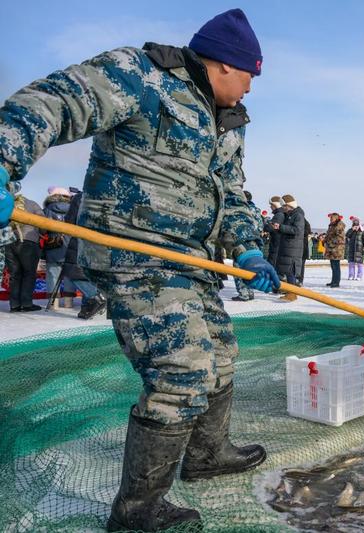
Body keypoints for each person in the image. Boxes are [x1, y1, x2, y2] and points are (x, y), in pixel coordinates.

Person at [0, 9, 281, 531]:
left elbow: (234, 192)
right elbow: (56, 100)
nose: (250, 89)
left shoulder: (228, 123)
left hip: (188, 259)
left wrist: (247, 248)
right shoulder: (141, 74)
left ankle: (206, 454)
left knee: (220, 351)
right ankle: (137, 513)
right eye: (250, 76)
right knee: (182, 370)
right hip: (132, 252)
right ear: (225, 65)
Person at [62, 188, 107, 319]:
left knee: (73, 271)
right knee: (92, 274)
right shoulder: (108, 196)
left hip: (82, 238)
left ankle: (96, 297)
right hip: (104, 241)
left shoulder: (80, 197)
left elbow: (70, 220)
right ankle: (87, 308)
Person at [5, 183, 44, 312]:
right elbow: (43, 222)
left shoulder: (6, 204)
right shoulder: (31, 204)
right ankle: (26, 304)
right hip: (28, 242)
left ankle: (14, 304)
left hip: (9, 242)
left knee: (15, 274)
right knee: (29, 273)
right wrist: (42, 233)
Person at [42, 186, 74, 309]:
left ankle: (53, 304)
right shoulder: (73, 208)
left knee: (52, 274)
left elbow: (43, 229)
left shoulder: (47, 209)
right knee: (69, 274)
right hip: (70, 245)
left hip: (53, 245)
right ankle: (68, 302)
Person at [231, 191, 262, 302]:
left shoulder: (241, 209)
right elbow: (260, 227)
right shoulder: (256, 210)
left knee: (238, 266)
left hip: (242, 241)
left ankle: (243, 293)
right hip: (255, 241)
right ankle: (250, 292)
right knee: (250, 267)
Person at [274, 194, 305, 301]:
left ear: (289, 205)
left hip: (293, 248)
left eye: (284, 206)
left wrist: (281, 227)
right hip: (288, 247)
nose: (283, 208)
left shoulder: (298, 215)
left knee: (290, 271)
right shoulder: (290, 215)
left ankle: (292, 293)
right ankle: (288, 291)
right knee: (287, 271)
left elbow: (296, 230)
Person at [263, 196, 285, 273]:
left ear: (275, 205)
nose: (270, 207)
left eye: (271, 205)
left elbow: (271, 228)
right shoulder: (280, 214)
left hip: (276, 243)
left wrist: (265, 224)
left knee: (272, 263)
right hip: (277, 242)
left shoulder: (279, 215)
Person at [324, 212, 346, 288]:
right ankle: (333, 281)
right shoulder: (332, 226)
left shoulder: (339, 225)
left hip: (337, 249)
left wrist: (331, 241)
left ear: (336, 218)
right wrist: (325, 240)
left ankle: (336, 282)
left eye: (332, 218)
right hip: (331, 248)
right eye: (330, 218)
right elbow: (329, 235)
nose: (330, 219)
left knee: (336, 266)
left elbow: (339, 238)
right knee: (333, 266)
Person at [346, 216, 364, 281]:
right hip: (351, 249)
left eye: (356, 221)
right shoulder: (351, 230)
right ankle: (351, 275)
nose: (355, 223)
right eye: (354, 221)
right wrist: (352, 230)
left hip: (359, 249)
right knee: (351, 263)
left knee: (360, 263)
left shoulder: (362, 231)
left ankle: (359, 276)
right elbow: (347, 235)